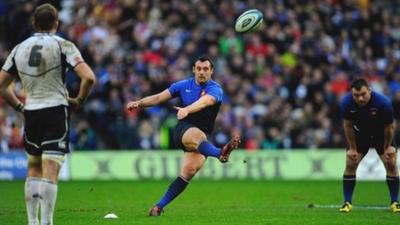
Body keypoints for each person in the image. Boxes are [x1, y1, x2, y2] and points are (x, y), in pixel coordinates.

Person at [0, 3, 96, 225]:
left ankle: (32, 222)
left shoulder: (19, 48)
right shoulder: (63, 45)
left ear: (34, 22)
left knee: (33, 166)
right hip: (55, 109)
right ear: (56, 23)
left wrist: (19, 107)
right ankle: (47, 223)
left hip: (31, 111)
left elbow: (2, 86)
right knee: (50, 169)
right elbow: (89, 77)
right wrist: (79, 100)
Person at [126, 56, 241, 216]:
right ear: (194, 69)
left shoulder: (216, 89)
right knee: (197, 136)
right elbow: (159, 97)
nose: (202, 72)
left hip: (202, 138)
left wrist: (187, 109)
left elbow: (205, 102)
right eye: (199, 69)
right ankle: (220, 153)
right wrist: (139, 102)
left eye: (205, 69)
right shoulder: (182, 85)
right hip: (183, 130)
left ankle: (158, 207)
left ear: (211, 71)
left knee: (188, 171)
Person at [339, 78, 399, 213]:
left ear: (369, 91)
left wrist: (387, 146)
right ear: (351, 93)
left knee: (391, 163)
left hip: (381, 135)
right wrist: (353, 148)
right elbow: (347, 126)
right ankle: (347, 202)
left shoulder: (383, 103)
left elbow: (389, 127)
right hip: (361, 135)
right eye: (356, 95)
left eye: (363, 94)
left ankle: (395, 202)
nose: (360, 98)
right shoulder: (346, 103)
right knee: (350, 163)